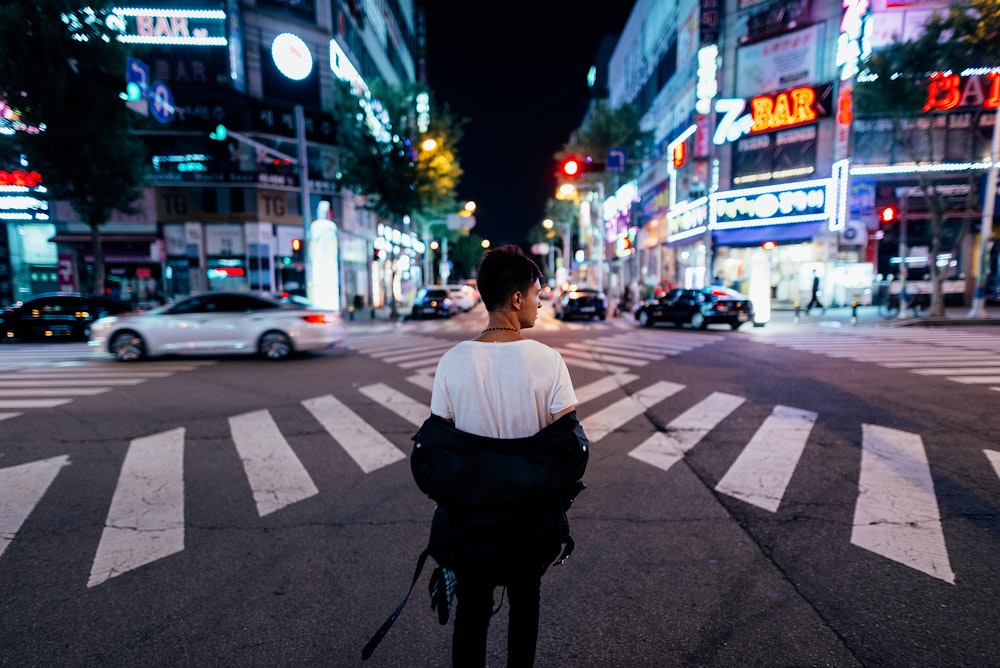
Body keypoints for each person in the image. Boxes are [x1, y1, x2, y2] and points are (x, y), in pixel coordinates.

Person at [414, 244, 588, 668]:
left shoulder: (453, 362)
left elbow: (440, 445)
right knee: (526, 604)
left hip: (470, 522)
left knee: (472, 610)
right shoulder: (548, 362)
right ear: (516, 298)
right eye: (537, 293)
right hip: (531, 520)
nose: (541, 300)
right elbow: (572, 448)